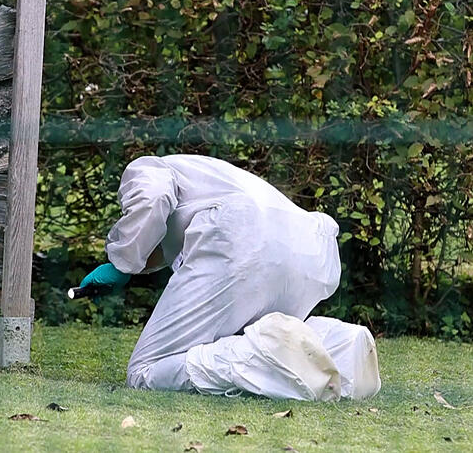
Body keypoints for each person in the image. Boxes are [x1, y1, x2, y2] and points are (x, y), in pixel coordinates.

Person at [79, 155, 380, 401]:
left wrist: (121, 262)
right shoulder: (211, 179)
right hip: (308, 246)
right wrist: (133, 266)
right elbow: (161, 243)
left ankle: (266, 357)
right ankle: (341, 346)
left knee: (146, 371)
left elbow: (152, 196)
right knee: (254, 337)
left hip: (241, 234)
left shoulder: (147, 167)